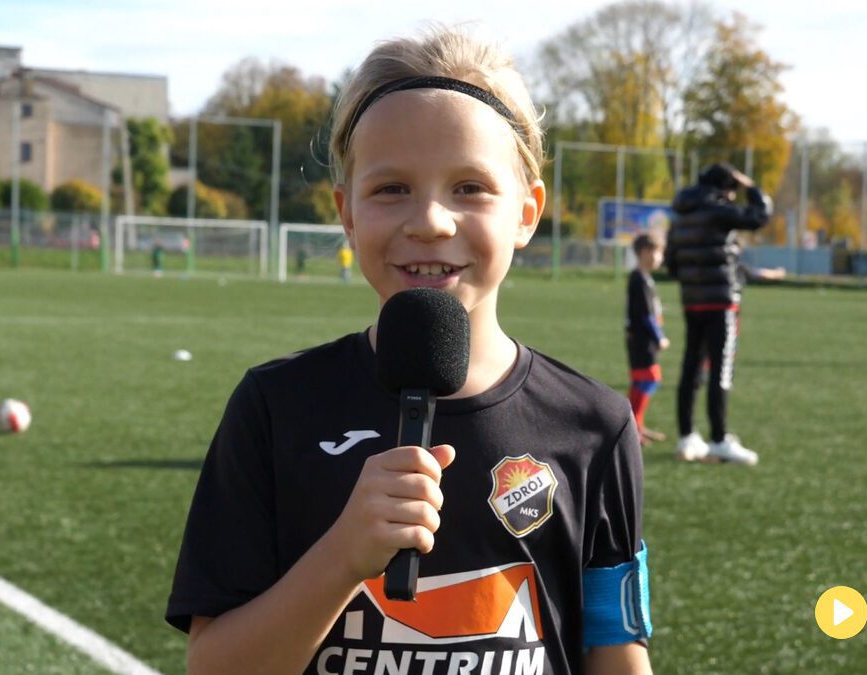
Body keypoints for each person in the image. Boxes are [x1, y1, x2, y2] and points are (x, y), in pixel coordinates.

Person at [166, 28, 652, 675]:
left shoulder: (594, 423)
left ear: (527, 212)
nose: (429, 220)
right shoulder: (277, 407)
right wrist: (343, 554)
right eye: (391, 188)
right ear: (346, 213)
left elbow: (615, 653)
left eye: (470, 187)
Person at [665, 163, 770, 466]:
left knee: (691, 367)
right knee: (720, 369)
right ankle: (720, 439)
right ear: (726, 188)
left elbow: (671, 261)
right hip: (721, 300)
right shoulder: (717, 208)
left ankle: (687, 436)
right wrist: (750, 186)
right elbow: (759, 216)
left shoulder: (682, 212)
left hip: (691, 299)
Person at [625, 233, 670, 444]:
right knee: (649, 378)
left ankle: (636, 426)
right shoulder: (638, 279)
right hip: (643, 340)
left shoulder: (644, 278)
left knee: (643, 380)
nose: (659, 257)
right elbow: (646, 315)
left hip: (641, 339)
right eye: (657, 252)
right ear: (644, 253)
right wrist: (659, 337)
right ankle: (634, 427)